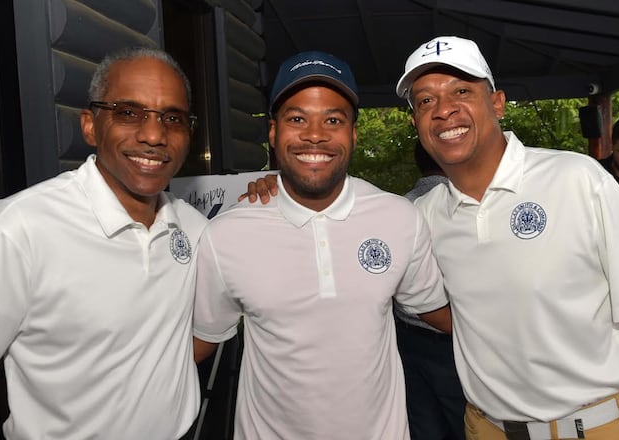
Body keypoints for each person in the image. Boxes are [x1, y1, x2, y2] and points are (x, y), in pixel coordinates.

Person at [393, 36, 619, 439]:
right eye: (425, 101)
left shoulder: (576, 179)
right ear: (415, 121)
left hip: (590, 429)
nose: (444, 109)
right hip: (483, 429)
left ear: (497, 102)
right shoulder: (422, 216)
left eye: (462, 91)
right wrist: (277, 185)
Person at [0, 47, 208, 439]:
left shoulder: (193, 229)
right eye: (129, 113)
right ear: (90, 126)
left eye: (172, 119)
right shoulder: (17, 231)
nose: (154, 135)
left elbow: (195, 333)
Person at [192, 51, 451, 440]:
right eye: (298, 119)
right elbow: (198, 343)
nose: (315, 134)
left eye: (333, 120)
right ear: (273, 131)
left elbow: (447, 317)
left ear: (353, 134)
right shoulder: (226, 235)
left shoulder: (399, 218)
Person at [394, 142, 466, 440]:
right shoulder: (464, 208)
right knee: (466, 424)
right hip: (456, 336)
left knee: (422, 426)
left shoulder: (400, 207)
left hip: (408, 338)